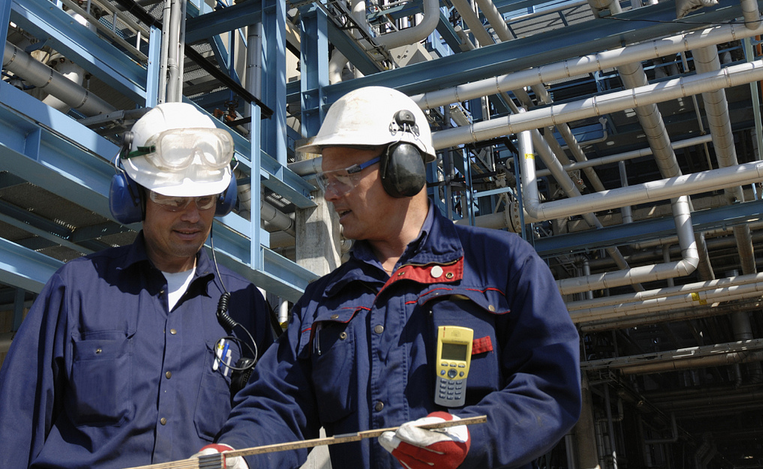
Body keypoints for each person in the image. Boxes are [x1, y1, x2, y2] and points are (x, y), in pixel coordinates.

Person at [202, 86, 581, 469]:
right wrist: (240, 452)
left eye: (343, 176)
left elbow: (550, 386)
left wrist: (474, 436)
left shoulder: (501, 265)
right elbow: (279, 402)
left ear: (402, 169)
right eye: (325, 179)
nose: (330, 194)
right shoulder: (323, 302)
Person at [0, 102, 276, 469]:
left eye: (205, 200)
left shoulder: (243, 304)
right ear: (136, 197)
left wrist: (244, 452)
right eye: (173, 200)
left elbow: (271, 410)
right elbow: (15, 421)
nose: (192, 215)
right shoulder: (77, 287)